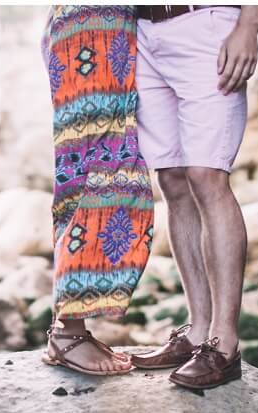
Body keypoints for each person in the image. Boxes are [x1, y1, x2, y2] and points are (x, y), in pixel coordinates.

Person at [129, 4, 258, 389]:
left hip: (206, 24)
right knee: (172, 179)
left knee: (207, 175)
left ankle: (224, 344)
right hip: (142, 29)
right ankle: (197, 331)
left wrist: (249, 25)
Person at [41, 5, 155, 376]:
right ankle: (67, 331)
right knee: (98, 168)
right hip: (93, 24)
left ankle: (70, 328)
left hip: (100, 24)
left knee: (96, 166)